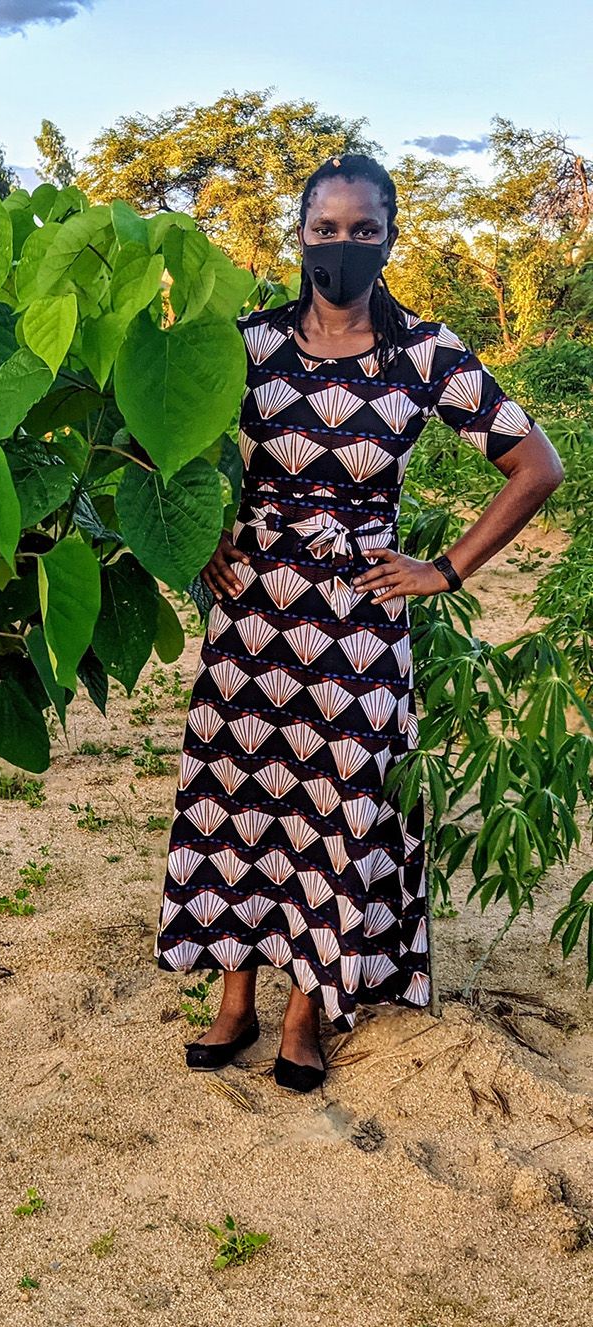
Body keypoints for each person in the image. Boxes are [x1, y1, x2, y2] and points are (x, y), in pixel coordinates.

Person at [153, 153, 565, 1093]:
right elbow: (166, 439)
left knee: (334, 809)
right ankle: (232, 1004)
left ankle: (307, 1016)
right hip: (251, 612)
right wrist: (201, 535)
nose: (342, 247)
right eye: (325, 229)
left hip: (356, 621)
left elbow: (537, 465)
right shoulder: (246, 343)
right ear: (299, 234)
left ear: (389, 236)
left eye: (362, 230)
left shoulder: (424, 354)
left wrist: (445, 569)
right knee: (240, 799)